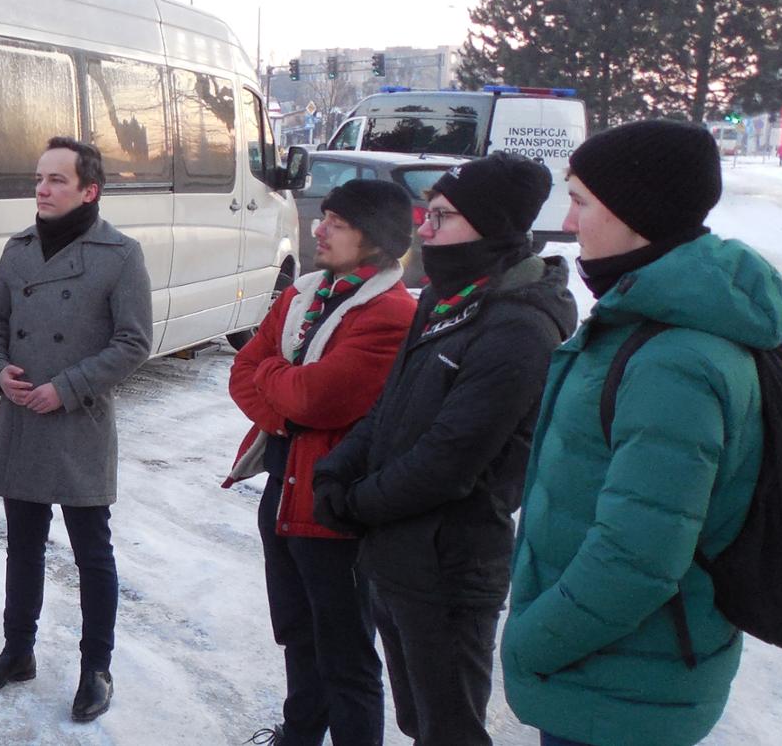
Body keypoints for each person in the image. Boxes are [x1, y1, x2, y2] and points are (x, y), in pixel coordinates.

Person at [503, 120, 782, 746]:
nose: (569, 224)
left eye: (580, 202)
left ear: (637, 213)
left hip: (621, 683)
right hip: (622, 671)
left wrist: (533, 641)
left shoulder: (672, 359)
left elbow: (637, 558)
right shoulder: (647, 326)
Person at [312, 152, 577, 746]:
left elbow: (449, 459)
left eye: (441, 217)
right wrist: (337, 470)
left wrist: (353, 503)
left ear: (494, 227)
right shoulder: (446, 300)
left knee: (450, 730)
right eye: (426, 215)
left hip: (450, 566)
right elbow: (390, 407)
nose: (424, 231)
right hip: (397, 555)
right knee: (418, 722)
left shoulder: (518, 326)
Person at [0, 137, 151, 723]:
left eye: (56, 181)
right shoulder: (18, 250)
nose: (41, 190)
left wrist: (65, 388)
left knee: (92, 551)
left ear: (89, 190)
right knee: (22, 545)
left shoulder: (120, 254)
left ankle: (97, 667)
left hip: (77, 421)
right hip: (21, 417)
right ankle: (17, 652)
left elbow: (134, 342)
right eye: (39, 179)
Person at [226, 180, 417, 746]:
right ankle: (300, 735)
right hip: (284, 490)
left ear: (377, 239)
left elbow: (320, 397)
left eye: (336, 222)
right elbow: (245, 374)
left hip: (333, 503)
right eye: (323, 217)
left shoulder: (390, 312)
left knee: (345, 650)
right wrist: (288, 403)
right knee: (297, 634)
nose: (318, 229)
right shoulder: (304, 294)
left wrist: (283, 387)